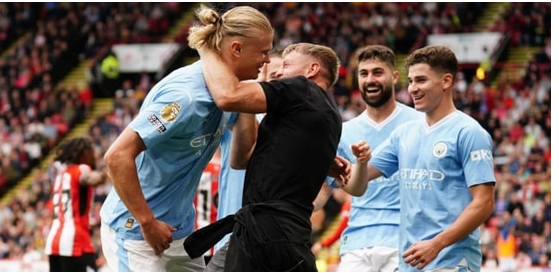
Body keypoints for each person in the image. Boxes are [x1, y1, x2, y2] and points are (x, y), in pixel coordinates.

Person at [99, 4, 274, 272]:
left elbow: (241, 158)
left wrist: (244, 99)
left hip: (179, 233)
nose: (267, 61)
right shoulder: (186, 98)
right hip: (138, 233)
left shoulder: (225, 93)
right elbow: (116, 156)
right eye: (263, 52)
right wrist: (147, 223)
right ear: (236, 48)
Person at [187, 42, 350, 271]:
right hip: (288, 233)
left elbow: (227, 96)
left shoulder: (301, 89)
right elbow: (242, 159)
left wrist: (206, 49)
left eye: (286, 64)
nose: (280, 73)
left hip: (264, 232)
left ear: (311, 70)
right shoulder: (330, 114)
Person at [345, 45, 496, 271]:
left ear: (446, 81)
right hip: (411, 262)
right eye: (411, 81)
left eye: (421, 81)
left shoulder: (468, 132)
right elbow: (358, 184)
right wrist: (358, 162)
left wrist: (437, 244)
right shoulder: (405, 133)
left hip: (452, 261)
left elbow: (484, 203)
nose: (413, 89)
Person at [316, 45, 424, 272]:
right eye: (364, 74)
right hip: (357, 244)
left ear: (394, 77)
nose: (370, 79)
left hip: (406, 241)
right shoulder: (344, 132)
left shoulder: (420, 124)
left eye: (377, 72)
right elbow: (323, 191)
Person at [204, 47, 284, 272]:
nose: (274, 78)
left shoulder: (299, 123)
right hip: (232, 236)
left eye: (281, 74)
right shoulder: (240, 111)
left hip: (275, 238)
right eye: (270, 73)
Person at [44, 137, 107, 272]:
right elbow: (88, 178)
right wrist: (103, 176)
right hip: (75, 242)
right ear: (84, 154)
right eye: (92, 151)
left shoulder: (61, 176)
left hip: (54, 242)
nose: (95, 155)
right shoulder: (82, 168)